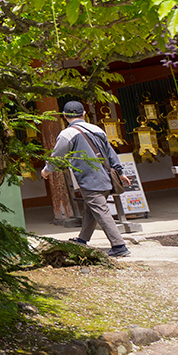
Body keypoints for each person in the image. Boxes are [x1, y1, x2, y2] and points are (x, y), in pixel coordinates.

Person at [41, 100, 132, 257]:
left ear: (64, 116)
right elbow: (111, 153)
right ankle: (82, 239)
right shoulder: (97, 129)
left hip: (90, 179)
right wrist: (120, 172)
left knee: (101, 211)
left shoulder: (67, 134)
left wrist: (47, 170)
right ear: (84, 114)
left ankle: (119, 246)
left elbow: (57, 156)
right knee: (90, 209)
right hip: (106, 176)